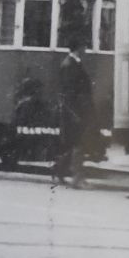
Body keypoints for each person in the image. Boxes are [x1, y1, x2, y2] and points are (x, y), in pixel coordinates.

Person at [55, 34, 94, 188]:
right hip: (75, 111)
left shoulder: (72, 63)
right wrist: (76, 113)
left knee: (73, 144)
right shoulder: (70, 65)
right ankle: (77, 178)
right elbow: (70, 91)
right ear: (79, 48)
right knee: (78, 144)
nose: (86, 49)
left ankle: (61, 170)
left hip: (74, 110)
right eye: (84, 46)